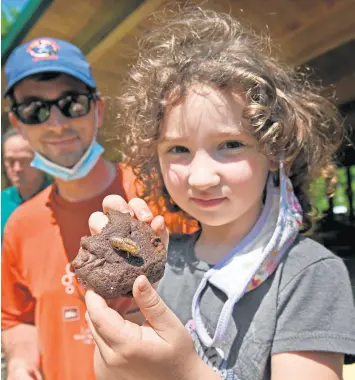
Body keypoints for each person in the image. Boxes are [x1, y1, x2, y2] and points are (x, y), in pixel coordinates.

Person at [84, 7, 355, 380]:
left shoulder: (309, 274)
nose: (201, 177)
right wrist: (122, 305)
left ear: (275, 149)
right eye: (178, 149)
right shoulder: (163, 264)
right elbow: (111, 372)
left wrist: (185, 371)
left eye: (230, 144)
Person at [1, 37, 194, 380]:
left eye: (72, 103)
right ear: (18, 124)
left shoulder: (165, 196)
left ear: (98, 109)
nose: (57, 123)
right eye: (35, 109)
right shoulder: (19, 225)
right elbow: (17, 319)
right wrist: (19, 364)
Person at [1, 128, 52, 240]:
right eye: (10, 161)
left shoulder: (59, 199)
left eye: (24, 160)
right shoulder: (2, 201)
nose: (17, 168)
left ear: (41, 160)